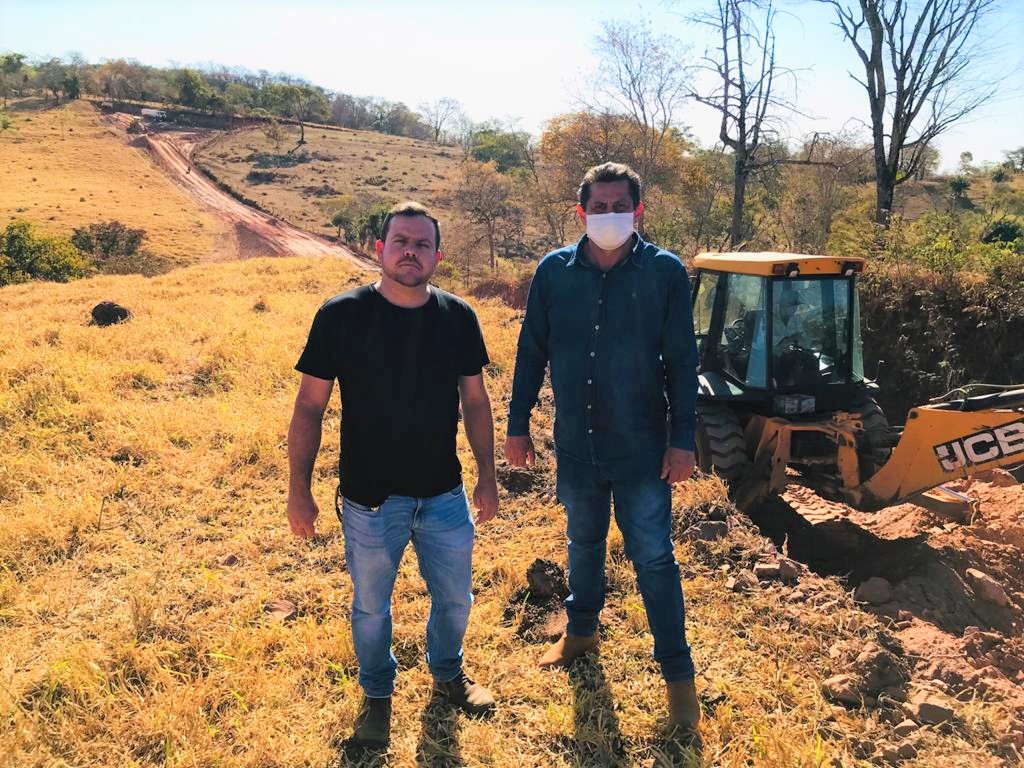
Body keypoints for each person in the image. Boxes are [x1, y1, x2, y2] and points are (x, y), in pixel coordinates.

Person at [287, 201, 500, 749]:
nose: (411, 251)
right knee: (370, 605)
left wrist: (487, 475)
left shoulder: (458, 318)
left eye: (422, 243)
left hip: (443, 494)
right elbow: (310, 406)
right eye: (400, 241)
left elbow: (475, 402)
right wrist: (299, 491)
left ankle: (448, 674)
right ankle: (377, 695)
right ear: (379, 249)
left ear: (437, 255)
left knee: (455, 599)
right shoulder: (341, 315)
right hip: (369, 499)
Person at [504, 163, 702, 739]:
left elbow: (682, 363)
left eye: (621, 206)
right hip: (577, 444)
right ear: (581, 211)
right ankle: (582, 630)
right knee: (582, 541)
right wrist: (518, 426)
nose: (609, 215)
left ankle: (678, 681)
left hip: (643, 449)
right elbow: (529, 352)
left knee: (654, 559)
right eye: (600, 205)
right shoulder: (554, 273)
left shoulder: (665, 273)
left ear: (638, 211)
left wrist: (683, 440)